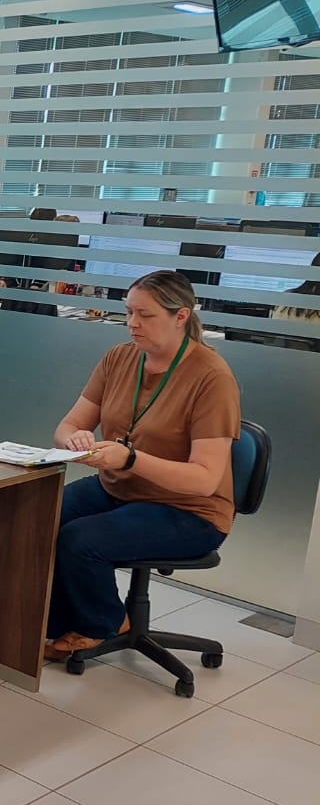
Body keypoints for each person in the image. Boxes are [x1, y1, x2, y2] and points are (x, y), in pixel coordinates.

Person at [45, 270, 241, 660]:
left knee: (80, 540)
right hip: (119, 487)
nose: (132, 323)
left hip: (188, 509)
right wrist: (75, 440)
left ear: (180, 316)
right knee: (40, 516)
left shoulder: (212, 378)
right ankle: (58, 620)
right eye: (129, 312)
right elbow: (66, 427)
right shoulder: (119, 358)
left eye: (145, 315)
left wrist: (131, 459)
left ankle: (102, 623)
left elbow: (205, 480)